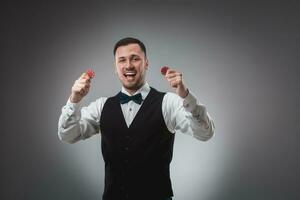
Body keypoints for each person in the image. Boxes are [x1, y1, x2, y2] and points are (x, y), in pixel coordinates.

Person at [58, 37, 215, 200]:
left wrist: (185, 95)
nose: (128, 65)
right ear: (115, 67)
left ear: (146, 63)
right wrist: (74, 99)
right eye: (122, 60)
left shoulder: (168, 102)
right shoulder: (101, 106)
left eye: (135, 59)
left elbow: (206, 133)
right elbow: (67, 135)